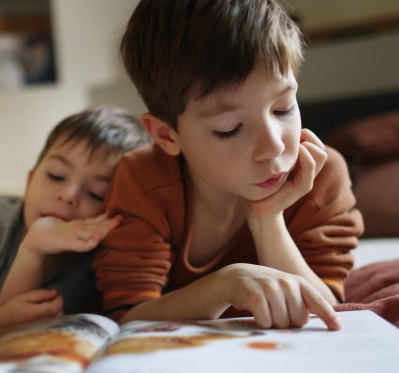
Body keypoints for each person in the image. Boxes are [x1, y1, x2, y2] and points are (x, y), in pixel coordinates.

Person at [92, 0, 364, 331]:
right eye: (229, 129)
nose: (274, 146)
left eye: (283, 109)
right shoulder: (143, 179)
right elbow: (129, 315)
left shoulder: (321, 175)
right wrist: (223, 286)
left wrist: (268, 219)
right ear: (166, 134)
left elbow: (327, 308)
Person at [0, 105, 150, 329]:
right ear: (31, 180)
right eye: (56, 175)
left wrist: (33, 249)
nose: (68, 195)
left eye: (96, 194)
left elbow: (19, 319)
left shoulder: (93, 265)